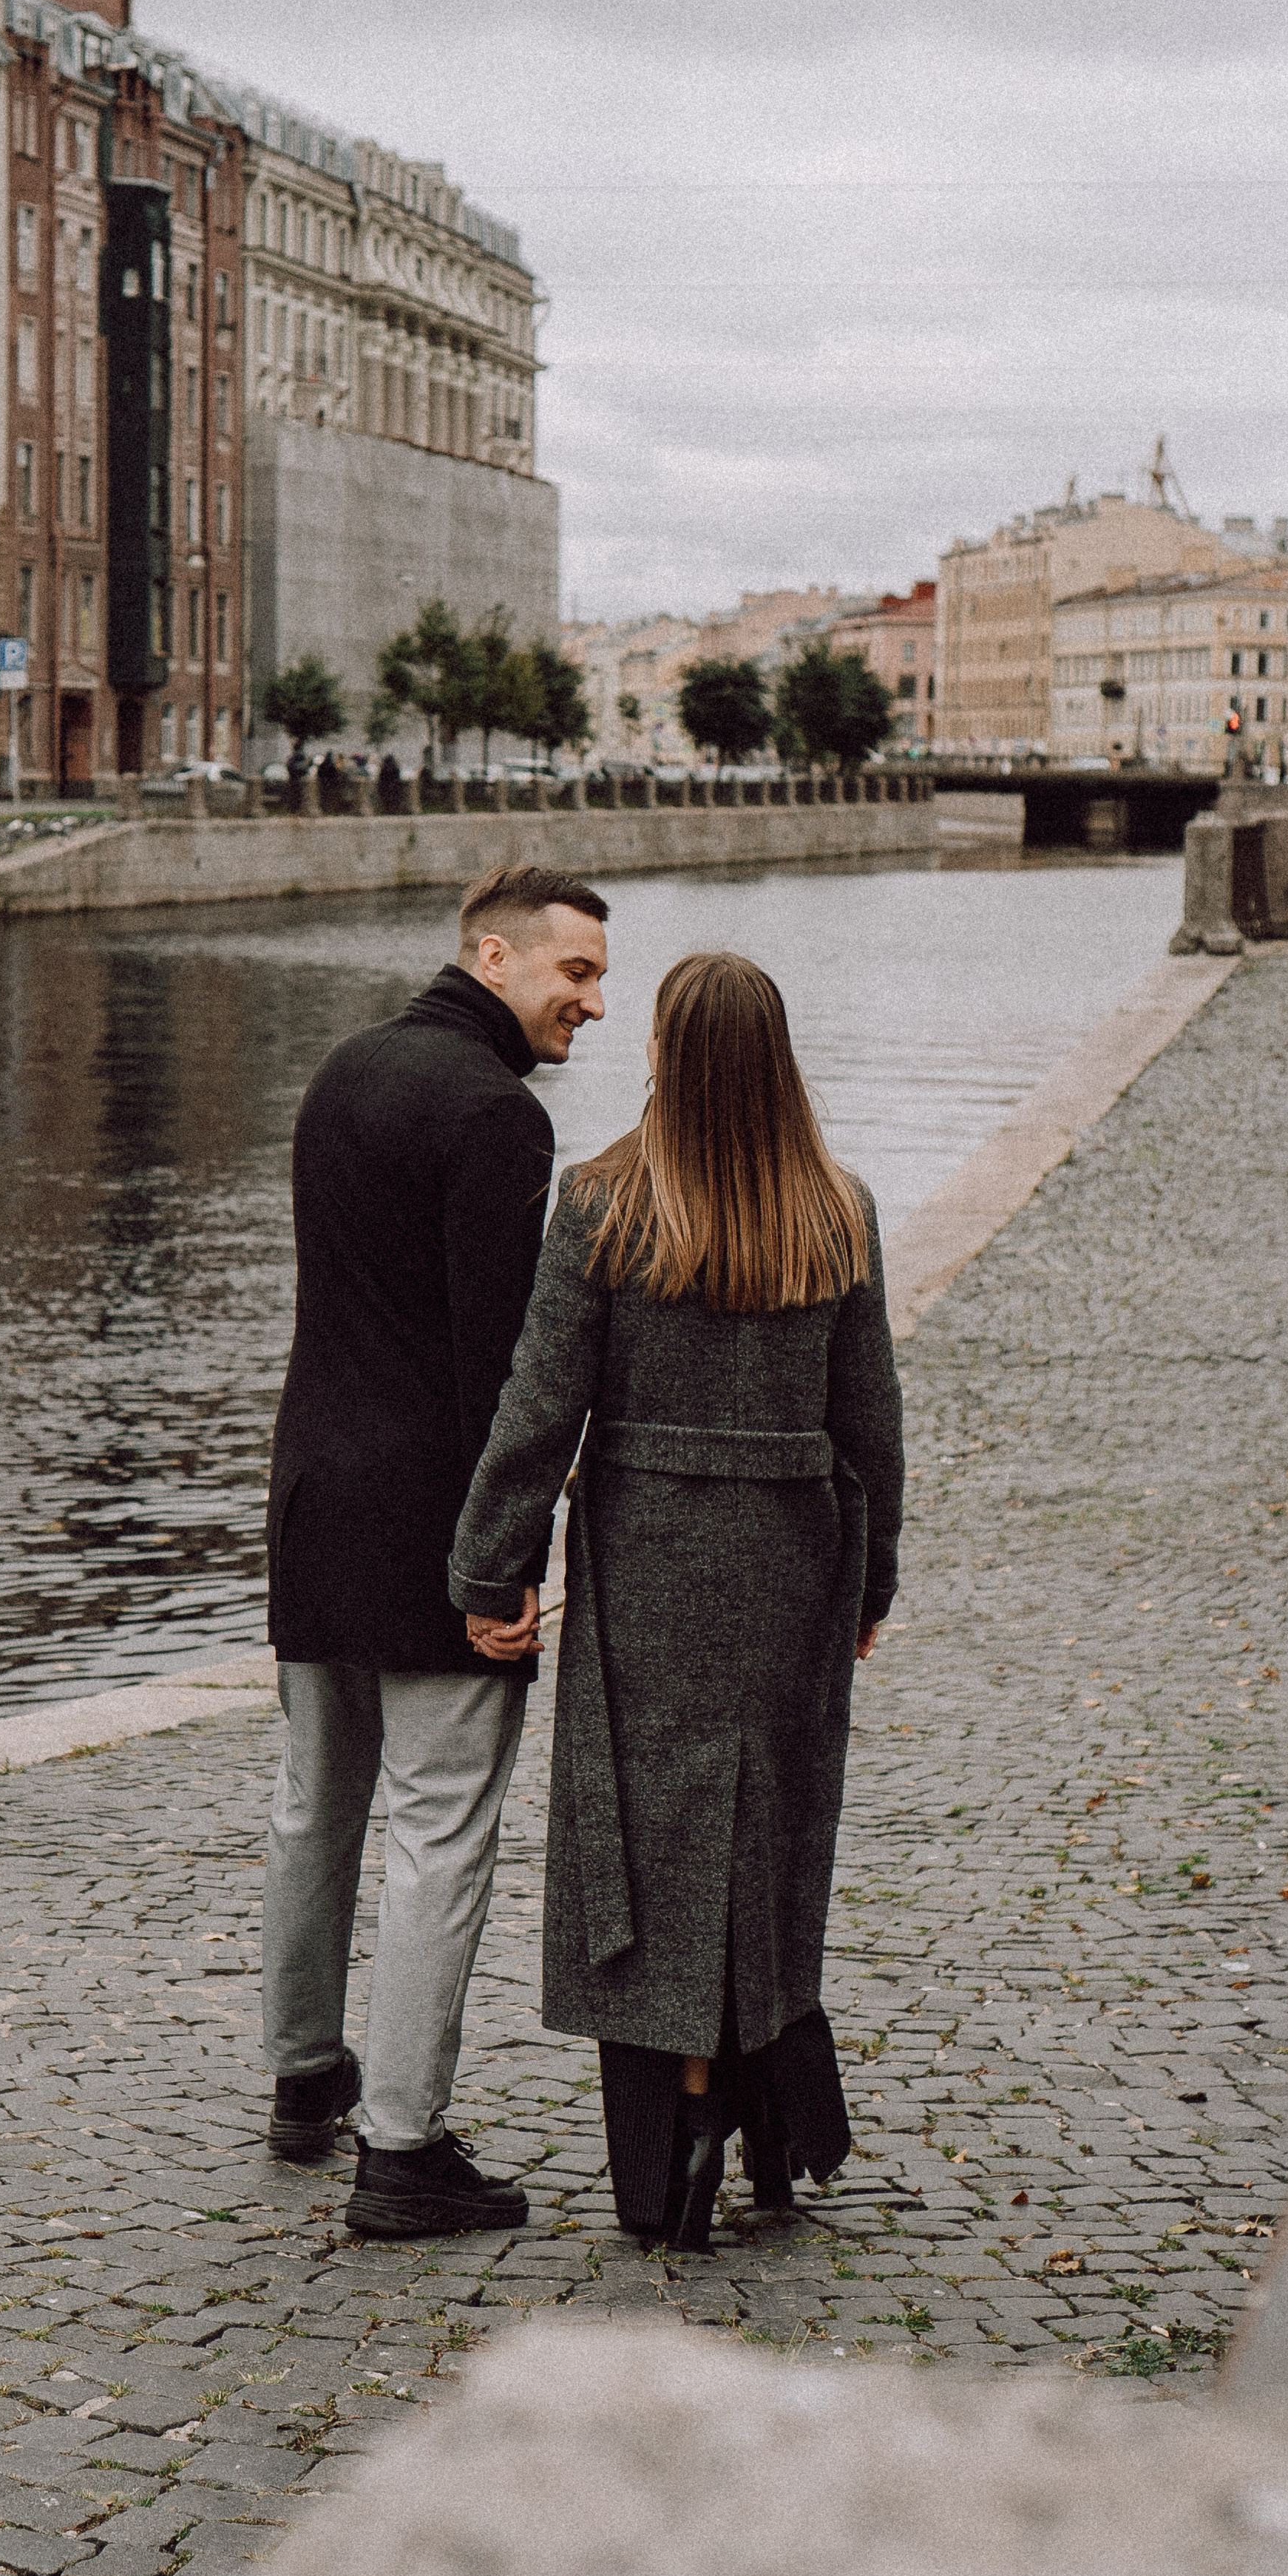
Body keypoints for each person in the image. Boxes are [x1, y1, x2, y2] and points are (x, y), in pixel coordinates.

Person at [448, 951, 904, 2250]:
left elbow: (538, 1412)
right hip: (791, 1564)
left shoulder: (601, 1204)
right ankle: (763, 2120)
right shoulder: (839, 1211)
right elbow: (872, 1427)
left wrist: (493, 1573)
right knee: (770, 1833)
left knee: (645, 1846)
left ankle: (679, 2143)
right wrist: (871, 1579)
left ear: (665, 1054)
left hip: (647, 1563)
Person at [263, 865, 611, 2237]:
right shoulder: (494, 1117)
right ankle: (402, 2150)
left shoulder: (344, 1072)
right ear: (493, 954)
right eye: (574, 972)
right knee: (442, 1830)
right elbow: (498, 1374)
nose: (594, 1000)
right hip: (430, 1521)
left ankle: (303, 2080)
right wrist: (504, 1567)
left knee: (314, 1806)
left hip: (312, 1496)